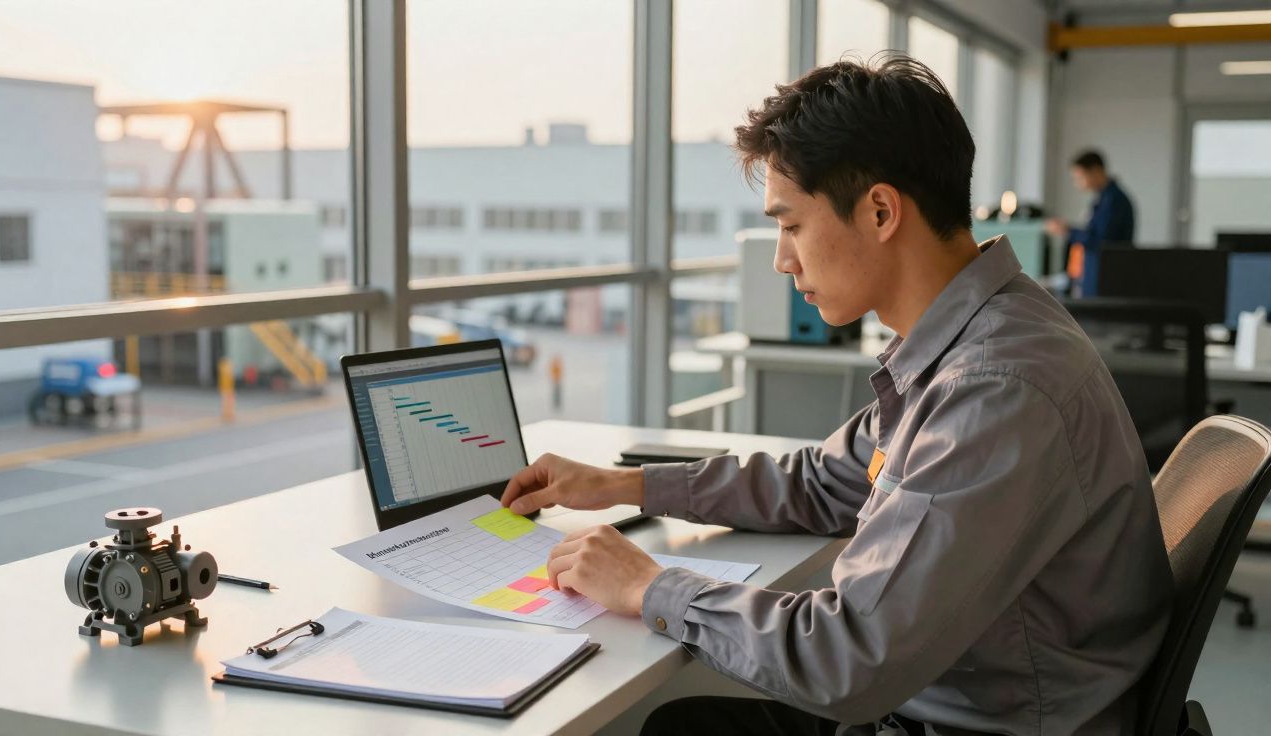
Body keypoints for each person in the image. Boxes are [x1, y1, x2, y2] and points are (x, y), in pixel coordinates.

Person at [501, 56, 1172, 735]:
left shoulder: (993, 389)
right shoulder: (980, 334)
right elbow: (823, 482)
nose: (782, 259)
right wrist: (625, 485)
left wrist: (648, 586)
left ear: (880, 210)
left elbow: (849, 659)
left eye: (791, 225)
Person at [1045, 150, 1136, 297]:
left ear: (1095, 171)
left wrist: (1068, 231)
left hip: (1107, 276)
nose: (1077, 183)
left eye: (1080, 177)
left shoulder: (1113, 201)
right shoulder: (1103, 199)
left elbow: (1101, 240)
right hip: (1098, 274)